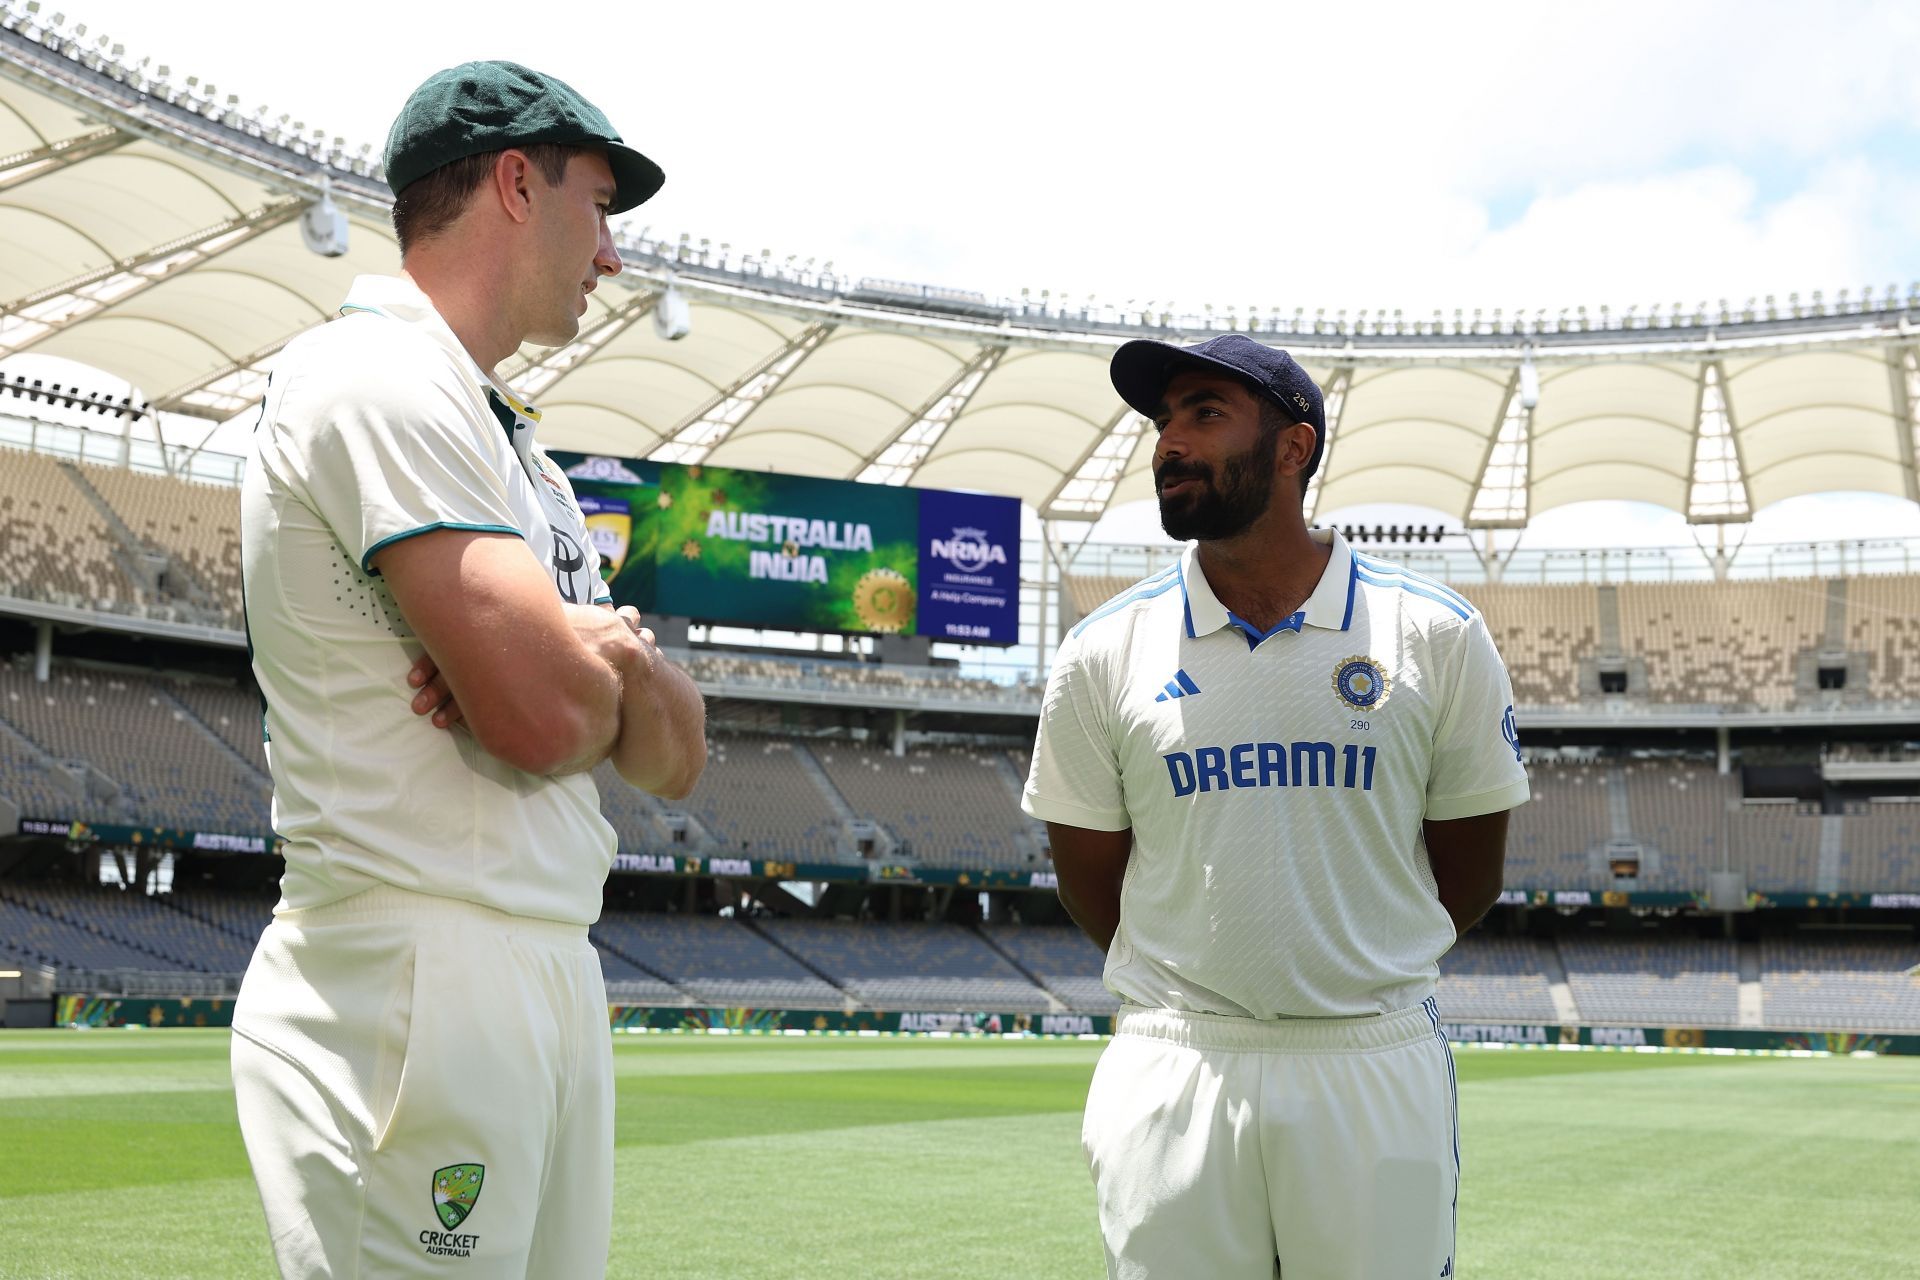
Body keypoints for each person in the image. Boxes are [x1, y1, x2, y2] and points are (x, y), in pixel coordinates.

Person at [231, 61, 706, 1279]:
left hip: (536, 960)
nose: (610, 255)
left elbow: (675, 755)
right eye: (598, 207)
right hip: (417, 966)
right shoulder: (374, 375)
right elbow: (549, 715)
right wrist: (590, 664)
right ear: (514, 182)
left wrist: (597, 658)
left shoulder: (517, 447)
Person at [1022, 334, 1529, 1279]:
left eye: (1204, 413)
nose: (1170, 441)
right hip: (1177, 1059)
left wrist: (1341, 971)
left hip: (1369, 1056)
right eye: (1164, 419)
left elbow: (1470, 875)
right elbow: (1093, 886)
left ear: (1293, 449)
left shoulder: (1436, 635)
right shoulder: (1101, 650)